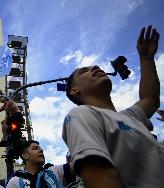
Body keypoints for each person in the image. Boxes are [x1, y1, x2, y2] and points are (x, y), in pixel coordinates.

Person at [63, 25, 163, 188]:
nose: (95, 67)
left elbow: (150, 100)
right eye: (84, 71)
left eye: (94, 66)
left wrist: (146, 59)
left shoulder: (129, 117)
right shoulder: (80, 115)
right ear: (74, 90)